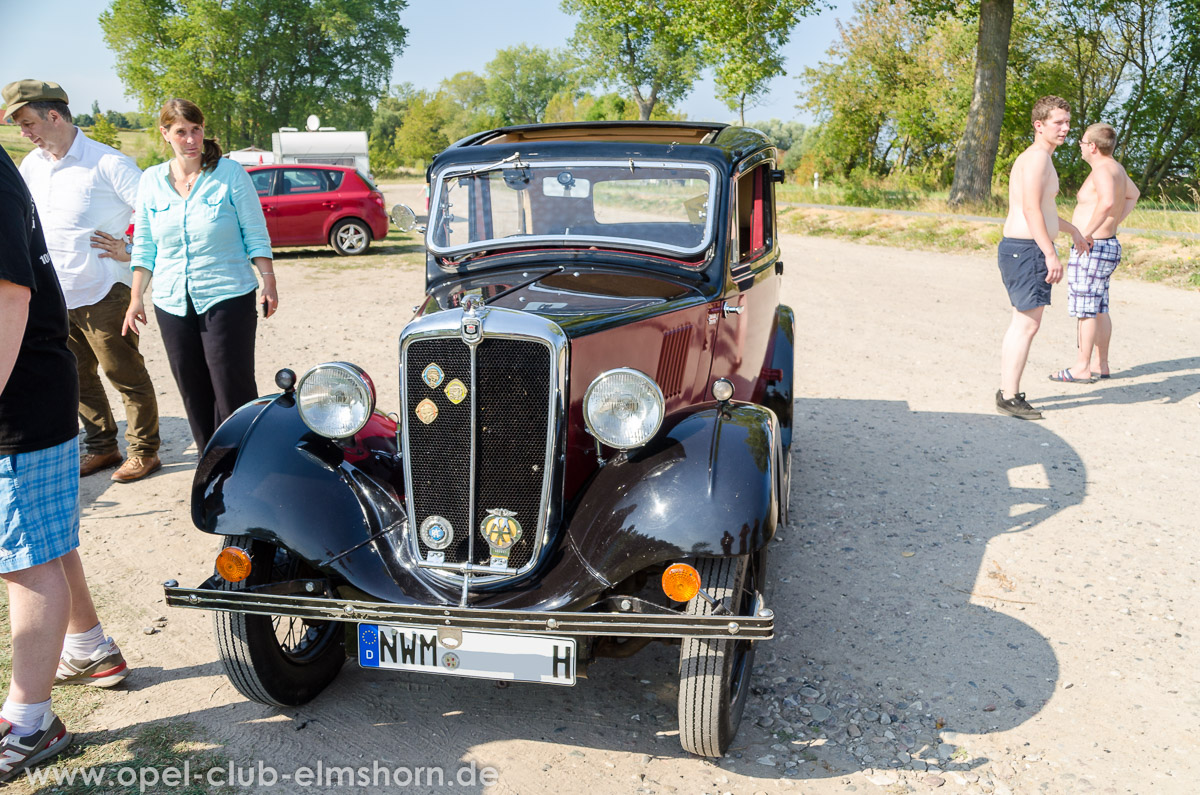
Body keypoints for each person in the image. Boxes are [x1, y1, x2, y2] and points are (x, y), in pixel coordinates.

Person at [0, 146, 128, 782]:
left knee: (24, 559)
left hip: (16, 400)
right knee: (42, 539)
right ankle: (87, 646)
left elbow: (9, 301)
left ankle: (31, 720)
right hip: (30, 391)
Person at [2, 79, 161, 482]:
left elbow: (157, 212)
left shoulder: (108, 162)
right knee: (77, 378)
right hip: (56, 296)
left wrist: (129, 249)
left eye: (26, 122)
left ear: (53, 115)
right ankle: (103, 446)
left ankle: (144, 451)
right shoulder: (31, 165)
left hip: (104, 292)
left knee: (125, 375)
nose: (23, 133)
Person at [122, 99, 277, 454]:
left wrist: (269, 281)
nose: (190, 139)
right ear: (165, 134)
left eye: (196, 130)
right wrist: (135, 299)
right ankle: (210, 465)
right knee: (192, 389)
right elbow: (144, 244)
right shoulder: (151, 181)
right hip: (171, 302)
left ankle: (245, 462)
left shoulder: (230, 173)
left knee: (231, 386)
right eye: (181, 132)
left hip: (227, 296)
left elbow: (254, 230)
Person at [995, 95, 1088, 420]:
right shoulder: (1036, 159)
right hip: (1027, 250)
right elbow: (1030, 208)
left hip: (1023, 247)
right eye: (1058, 122)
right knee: (1026, 325)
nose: (1065, 128)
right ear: (1039, 125)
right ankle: (1009, 397)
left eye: (1067, 122)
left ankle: (1007, 391)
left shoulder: (1040, 158)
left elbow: (1044, 210)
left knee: (1022, 323)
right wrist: (1050, 253)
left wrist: (1071, 229)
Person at [1053, 122, 1140, 382]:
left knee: (1085, 309)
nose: (1079, 146)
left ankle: (1081, 368)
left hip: (1092, 247)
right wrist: (1113, 223)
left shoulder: (1103, 169)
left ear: (1092, 146)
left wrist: (1086, 232)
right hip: (1106, 245)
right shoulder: (1117, 168)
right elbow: (1133, 195)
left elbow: (1109, 201)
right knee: (1100, 306)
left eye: (1081, 142)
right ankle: (1102, 365)